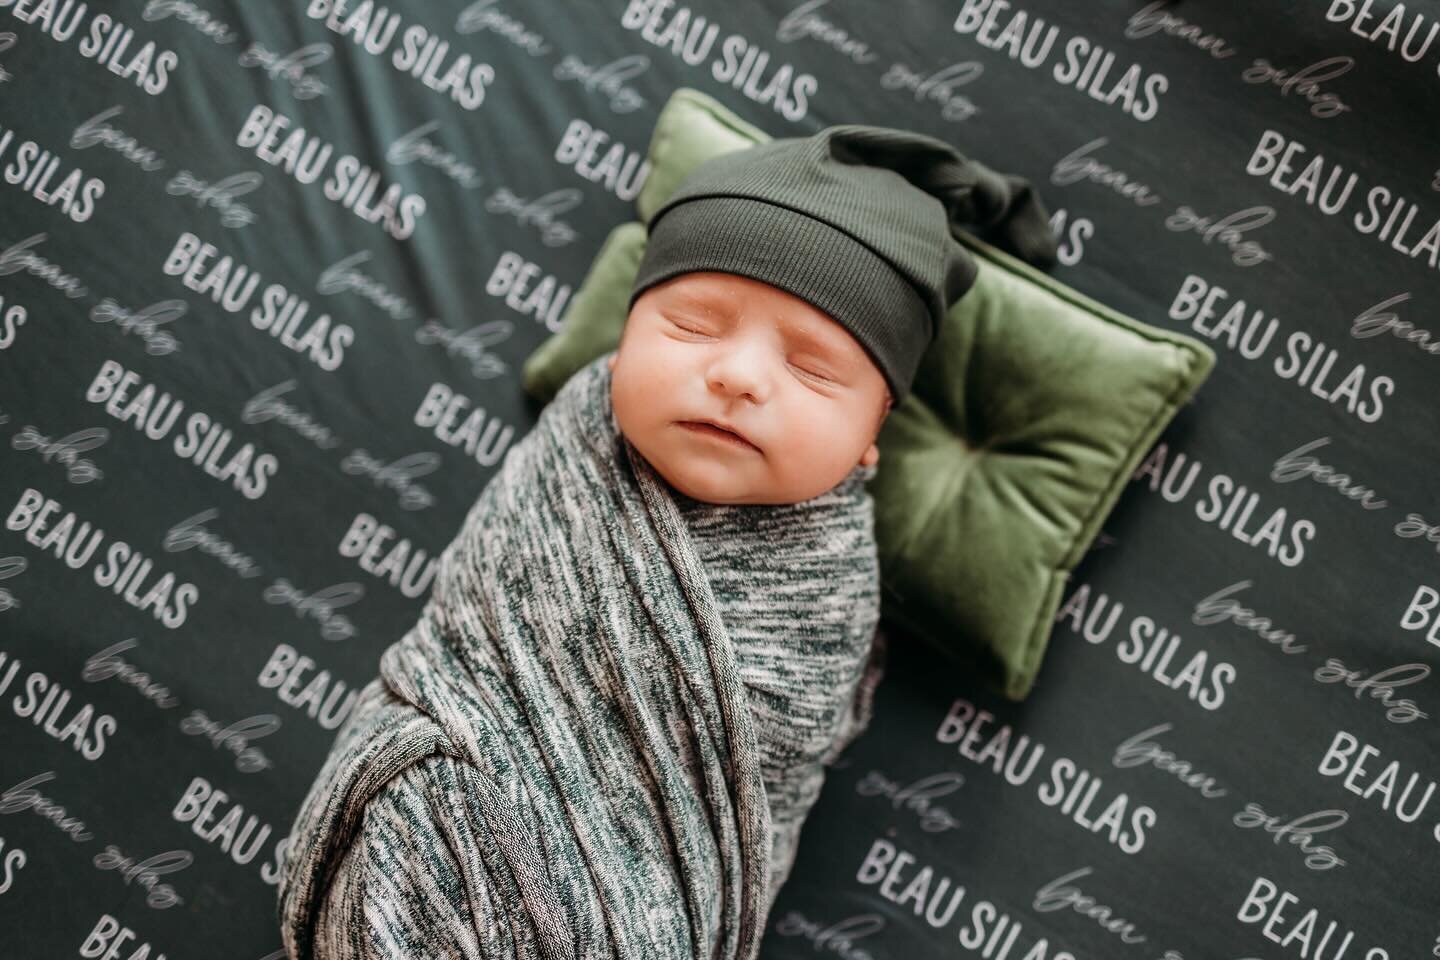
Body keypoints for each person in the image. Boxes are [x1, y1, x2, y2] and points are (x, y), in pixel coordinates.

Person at [276, 122, 1057, 960]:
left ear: (872, 436)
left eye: (813, 368)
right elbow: (472, 631)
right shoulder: (575, 453)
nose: (739, 376)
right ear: (620, 351)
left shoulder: (826, 582)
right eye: (692, 327)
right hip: (426, 802)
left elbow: (776, 748)